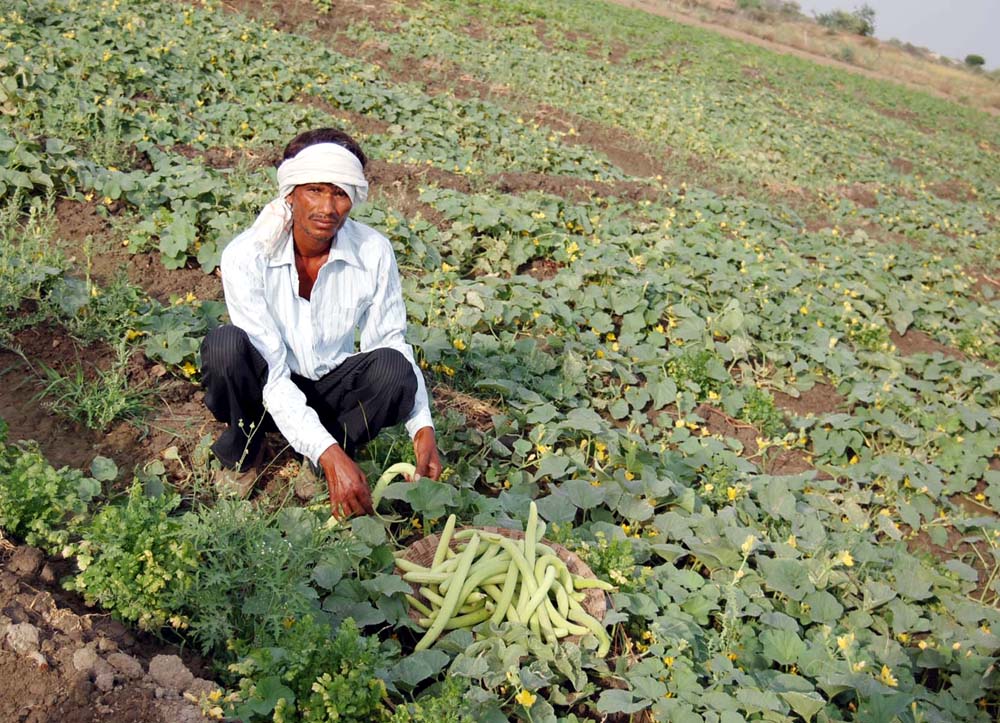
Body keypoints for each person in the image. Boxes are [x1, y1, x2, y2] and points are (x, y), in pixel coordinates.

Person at [200, 128, 442, 518]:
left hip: (329, 390)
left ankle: (325, 452)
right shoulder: (246, 256)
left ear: (353, 199)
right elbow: (274, 374)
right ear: (290, 193)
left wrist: (423, 428)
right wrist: (330, 454)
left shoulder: (373, 251)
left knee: (395, 370)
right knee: (225, 346)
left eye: (341, 193)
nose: (328, 207)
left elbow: (391, 340)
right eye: (315, 190)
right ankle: (246, 446)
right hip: (263, 387)